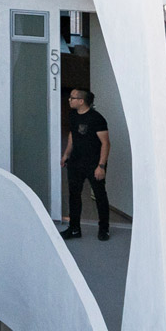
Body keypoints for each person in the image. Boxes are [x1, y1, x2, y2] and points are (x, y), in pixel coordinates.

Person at [61, 87, 111, 240]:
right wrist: (66, 155)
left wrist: (101, 166)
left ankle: (104, 229)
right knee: (74, 195)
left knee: (100, 196)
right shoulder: (73, 115)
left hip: (93, 164)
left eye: (72, 98)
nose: (69, 100)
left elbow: (106, 143)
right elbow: (72, 136)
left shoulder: (97, 119)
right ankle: (74, 229)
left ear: (81, 101)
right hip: (75, 163)